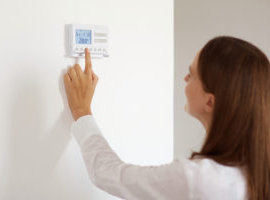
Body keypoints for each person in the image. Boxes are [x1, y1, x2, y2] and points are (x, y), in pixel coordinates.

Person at [63, 36, 270, 200]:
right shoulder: (257, 171)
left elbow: (108, 174)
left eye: (191, 75)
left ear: (209, 102)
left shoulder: (198, 180)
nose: (185, 80)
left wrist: (82, 111)